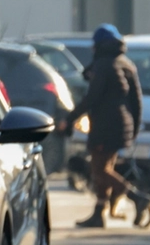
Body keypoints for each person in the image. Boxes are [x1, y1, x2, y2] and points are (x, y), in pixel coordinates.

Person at [58, 23, 145, 227]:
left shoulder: (104, 65)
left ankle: (136, 196)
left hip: (105, 126)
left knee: (99, 170)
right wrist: (134, 129)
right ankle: (99, 213)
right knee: (104, 168)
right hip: (122, 125)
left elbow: (92, 98)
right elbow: (137, 100)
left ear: (99, 45)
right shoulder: (125, 63)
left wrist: (70, 119)